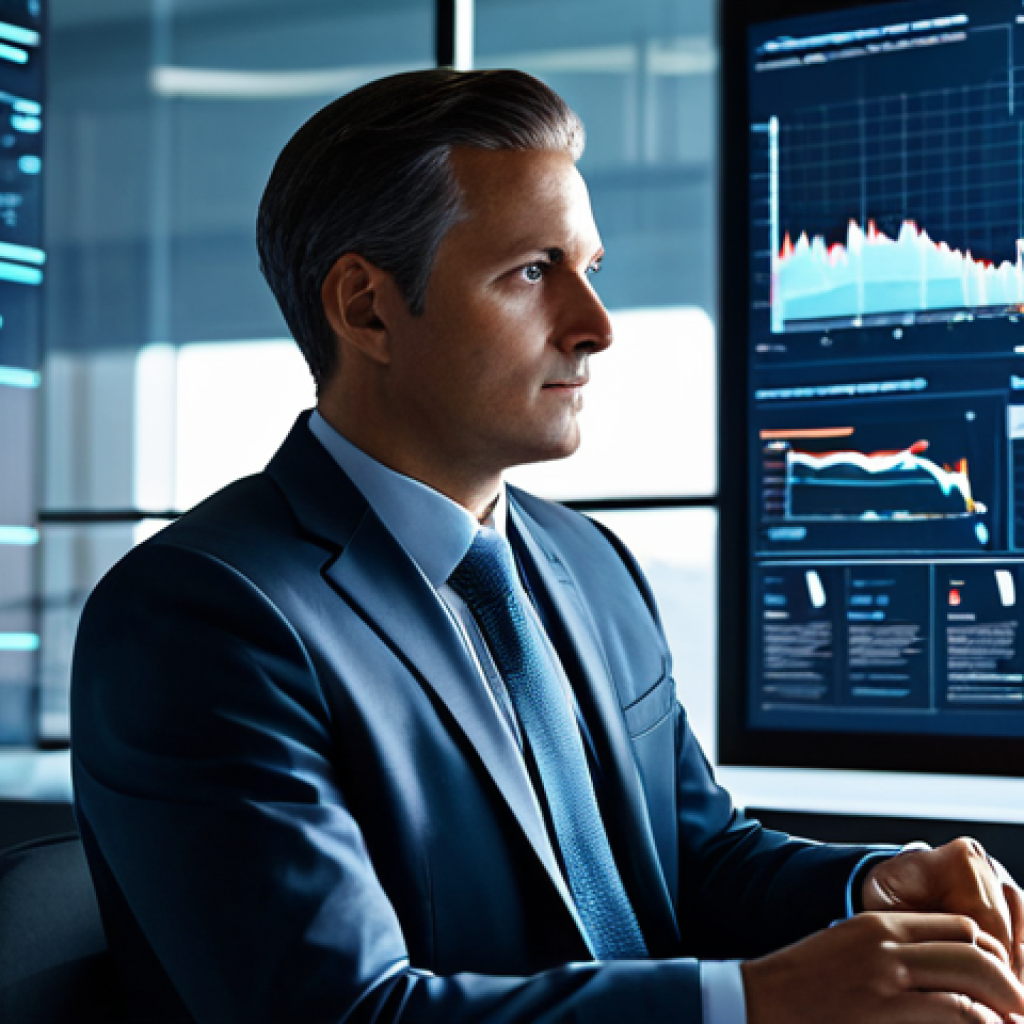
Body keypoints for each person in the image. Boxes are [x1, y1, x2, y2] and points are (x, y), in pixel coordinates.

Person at [71, 68, 1024, 1024]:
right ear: (365, 308)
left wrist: (865, 889)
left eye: (590, 270)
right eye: (533, 271)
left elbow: (691, 855)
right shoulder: (202, 619)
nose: (596, 327)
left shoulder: (590, 561)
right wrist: (758, 1001)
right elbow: (345, 1013)